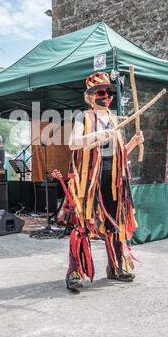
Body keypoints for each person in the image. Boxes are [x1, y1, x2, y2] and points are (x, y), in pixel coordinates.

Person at [65, 71, 144, 291]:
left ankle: (116, 266)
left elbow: (120, 153)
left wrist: (134, 143)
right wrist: (95, 136)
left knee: (114, 223)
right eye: (101, 92)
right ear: (90, 96)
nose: (107, 95)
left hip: (113, 179)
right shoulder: (84, 117)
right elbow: (73, 143)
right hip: (88, 180)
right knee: (82, 224)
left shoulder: (115, 119)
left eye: (109, 92)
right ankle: (75, 272)